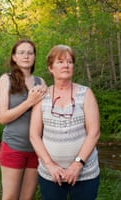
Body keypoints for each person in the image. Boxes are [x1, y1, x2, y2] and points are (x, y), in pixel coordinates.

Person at [29, 45, 100, 200]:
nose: (66, 65)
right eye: (60, 61)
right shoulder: (42, 96)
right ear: (50, 68)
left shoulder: (85, 93)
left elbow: (94, 132)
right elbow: (34, 135)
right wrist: (49, 165)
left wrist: (77, 164)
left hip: (85, 173)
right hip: (50, 175)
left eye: (69, 61)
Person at [0, 39, 47, 200]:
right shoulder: (6, 79)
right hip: (13, 147)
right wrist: (29, 102)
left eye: (30, 53)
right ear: (14, 57)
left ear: (34, 57)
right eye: (21, 52)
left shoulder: (41, 82)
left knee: (27, 197)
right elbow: (3, 117)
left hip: (36, 150)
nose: (26, 56)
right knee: (10, 197)